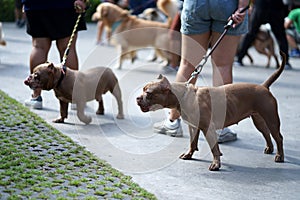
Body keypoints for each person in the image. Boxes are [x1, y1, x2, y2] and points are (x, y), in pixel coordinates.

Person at [154, 0, 249, 143]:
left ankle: (173, 121)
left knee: (187, 64)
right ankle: (220, 128)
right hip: (228, 6)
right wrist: (242, 7)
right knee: (222, 66)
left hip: (197, 4)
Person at [22, 0, 88, 109]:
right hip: (65, 5)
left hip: (36, 5)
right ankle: (74, 97)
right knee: (67, 48)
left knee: (39, 47)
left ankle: (36, 96)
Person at [235, 0, 292, 69]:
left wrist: (250, 5)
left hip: (261, 6)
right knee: (280, 36)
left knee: (251, 33)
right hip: (275, 7)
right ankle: (285, 62)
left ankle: (239, 58)